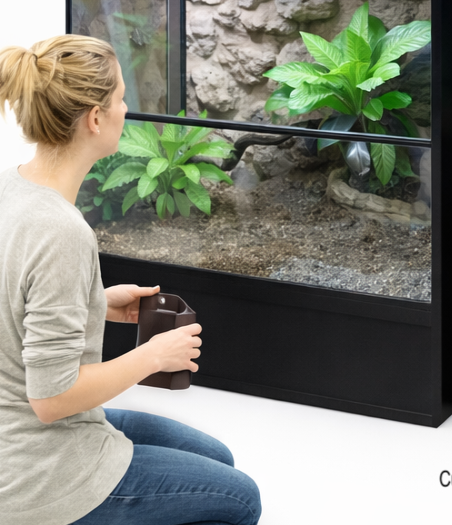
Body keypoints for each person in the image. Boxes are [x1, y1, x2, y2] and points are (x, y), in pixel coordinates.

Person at [0, 35, 261, 525]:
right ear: (95, 119)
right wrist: (151, 358)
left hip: (13, 437)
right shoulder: (61, 231)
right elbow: (51, 400)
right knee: (242, 499)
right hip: (37, 471)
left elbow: (12, 308)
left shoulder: (10, 187)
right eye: (121, 98)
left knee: (216, 458)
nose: (126, 109)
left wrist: (93, 302)